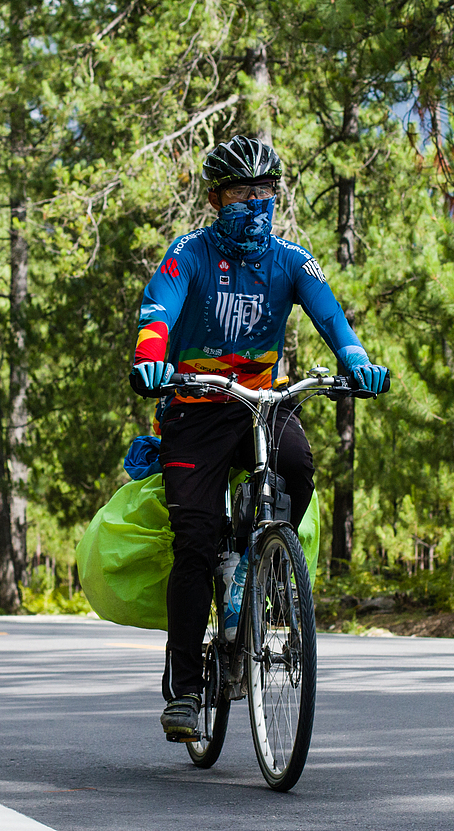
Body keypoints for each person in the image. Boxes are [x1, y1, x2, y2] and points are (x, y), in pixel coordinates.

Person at [128, 136, 389, 740]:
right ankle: (185, 691)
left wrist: (357, 362)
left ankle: (257, 564)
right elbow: (157, 312)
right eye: (243, 193)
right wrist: (150, 359)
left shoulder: (291, 260)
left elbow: (331, 317)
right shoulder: (189, 254)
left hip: (259, 404)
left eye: (267, 192)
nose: (257, 204)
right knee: (194, 543)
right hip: (195, 408)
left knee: (297, 467)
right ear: (216, 199)